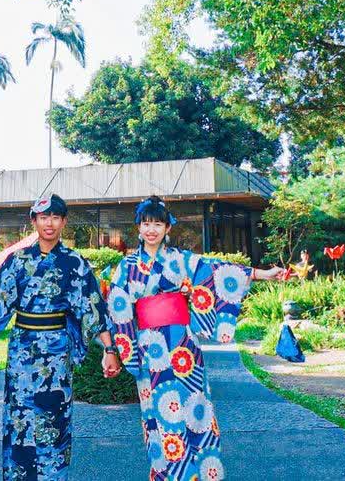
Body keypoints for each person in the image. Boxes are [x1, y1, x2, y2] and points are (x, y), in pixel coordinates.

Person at [108, 195, 288, 481]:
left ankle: (201, 473)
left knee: (194, 406)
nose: (152, 229)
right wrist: (117, 350)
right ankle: (167, 474)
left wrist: (263, 274)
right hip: (148, 347)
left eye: (158, 223)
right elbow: (117, 307)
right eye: (146, 223)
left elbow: (218, 270)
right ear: (138, 228)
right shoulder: (127, 266)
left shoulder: (181, 259)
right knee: (158, 411)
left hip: (183, 346)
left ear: (168, 228)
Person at [0, 194, 122, 481]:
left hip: (56, 353)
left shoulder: (75, 263)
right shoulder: (17, 261)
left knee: (54, 416)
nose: (49, 223)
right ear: (34, 221)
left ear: (64, 222)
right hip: (21, 351)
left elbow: (93, 307)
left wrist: (109, 349)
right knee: (19, 418)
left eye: (55, 217)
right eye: (43, 217)